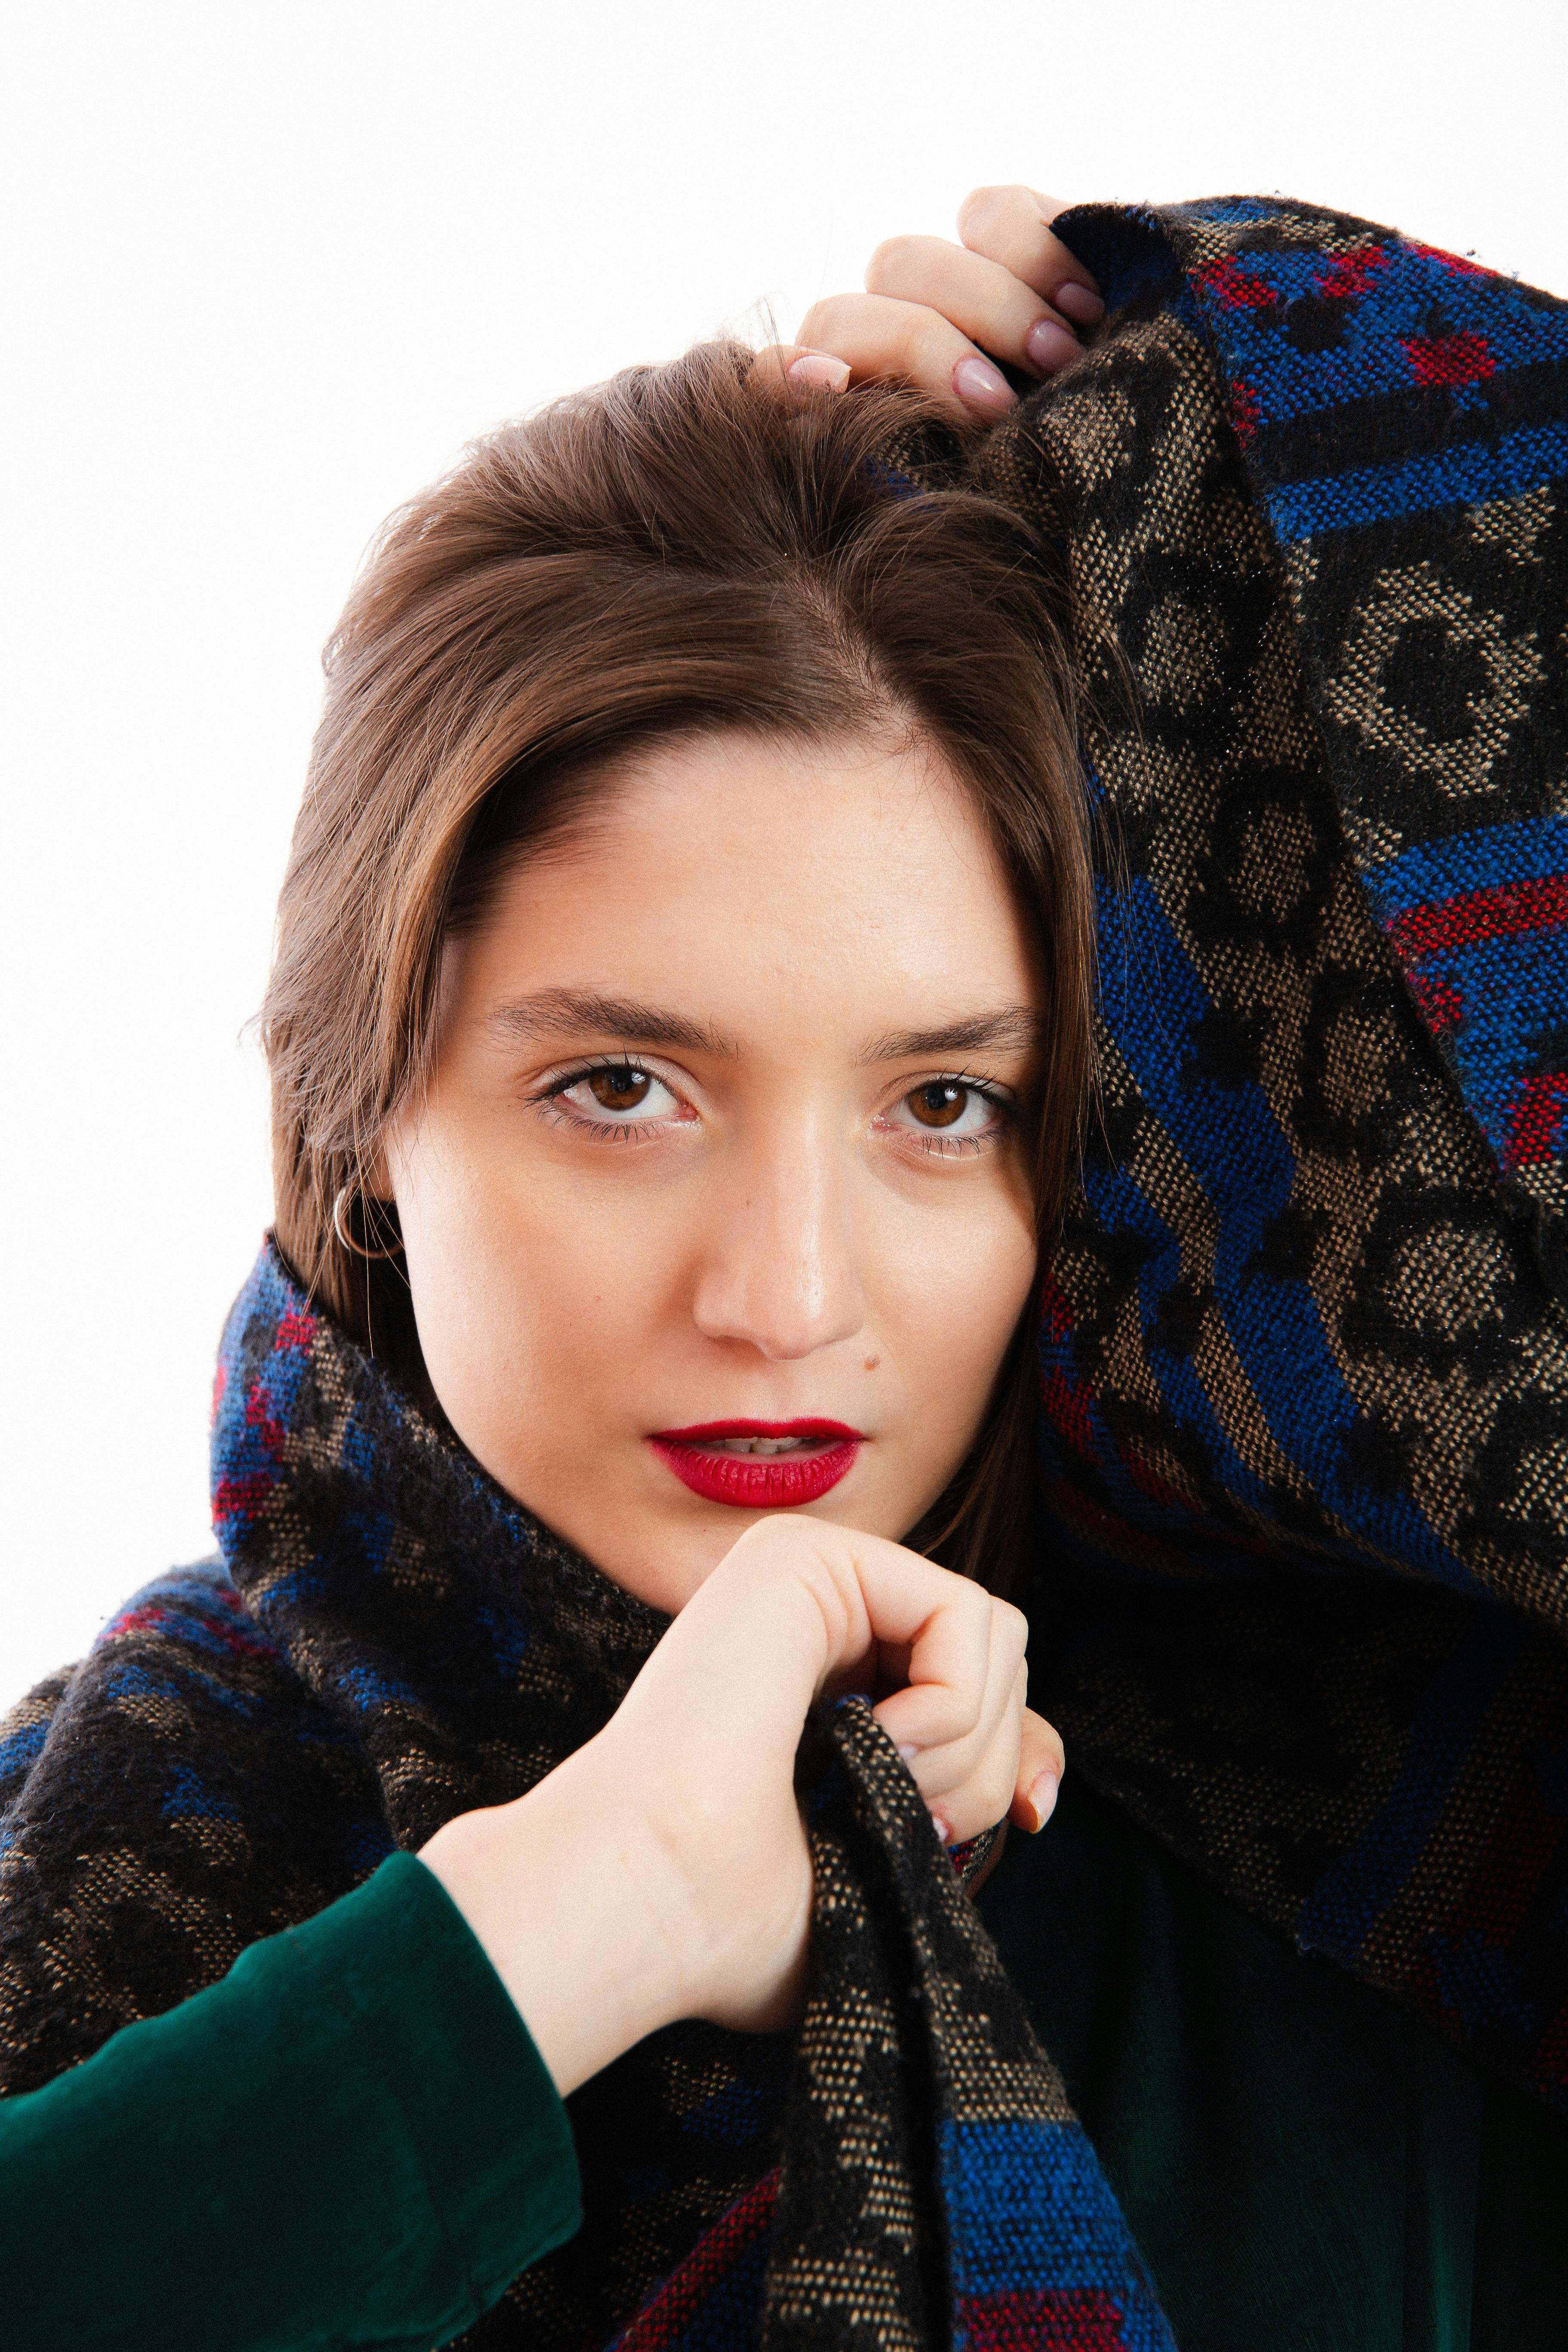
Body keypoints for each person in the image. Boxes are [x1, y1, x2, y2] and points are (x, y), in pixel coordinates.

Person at [5, 182, 1568, 2351]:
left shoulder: (1385, 1902)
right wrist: (564, 1931)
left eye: (944, 1105)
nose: (789, 1297)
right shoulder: (87, 1881)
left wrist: (1185, 430)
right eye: (624, 1088)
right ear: (364, 1111)